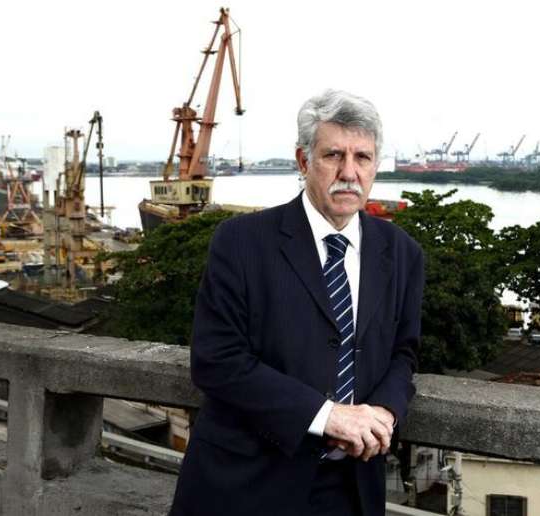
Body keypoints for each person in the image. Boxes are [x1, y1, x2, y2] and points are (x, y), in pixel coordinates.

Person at [169, 90, 424, 516]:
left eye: (362, 157)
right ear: (304, 161)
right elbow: (216, 359)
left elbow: (404, 352)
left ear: (375, 164)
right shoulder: (241, 242)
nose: (349, 173)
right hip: (245, 485)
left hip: (351, 488)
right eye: (333, 155)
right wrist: (326, 416)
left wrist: (383, 411)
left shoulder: (402, 253)